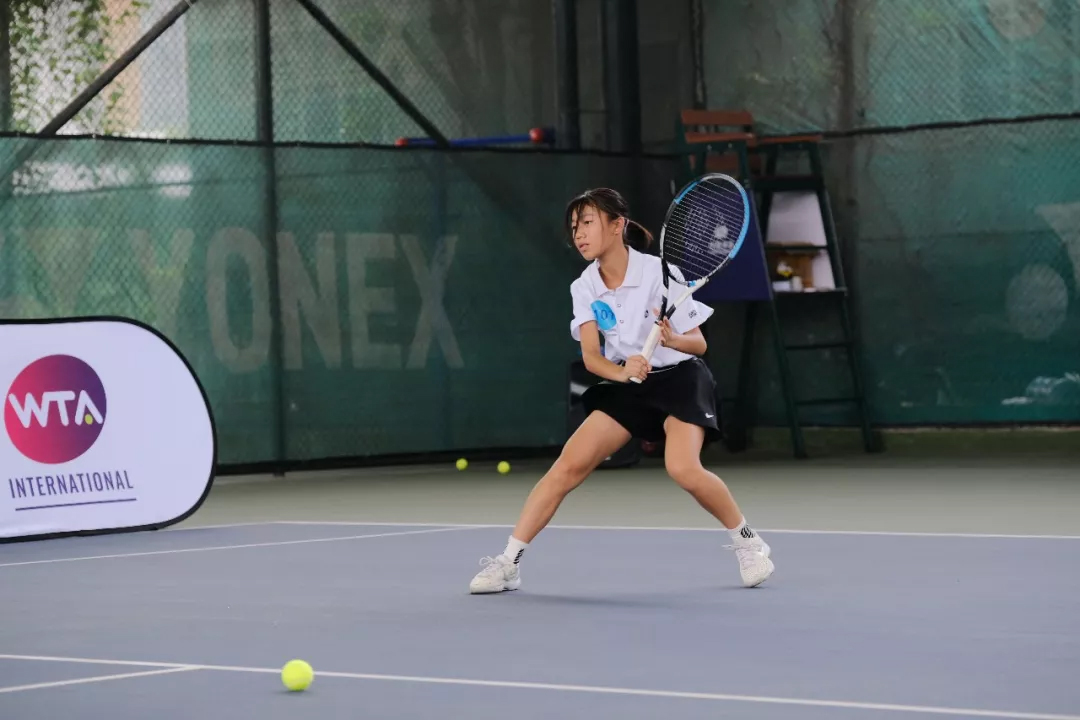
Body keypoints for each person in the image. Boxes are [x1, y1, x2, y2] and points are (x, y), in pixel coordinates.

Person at [468, 187, 774, 594]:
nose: (579, 234)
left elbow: (699, 344)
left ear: (617, 225)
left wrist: (672, 339)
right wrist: (623, 370)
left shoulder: (660, 272)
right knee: (566, 467)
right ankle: (509, 563)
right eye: (574, 227)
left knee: (682, 468)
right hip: (629, 383)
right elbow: (592, 359)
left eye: (587, 223)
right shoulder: (584, 287)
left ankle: (748, 542)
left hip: (681, 378)